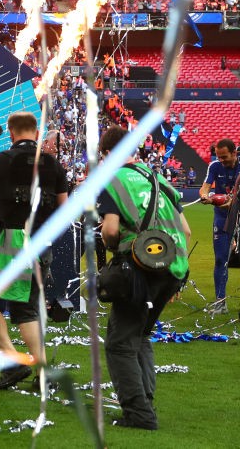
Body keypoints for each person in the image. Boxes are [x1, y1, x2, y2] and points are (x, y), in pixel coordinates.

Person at [98, 126, 190, 430]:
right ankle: (144, 400)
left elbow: (110, 231)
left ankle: (139, 413)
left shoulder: (112, 180)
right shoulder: (162, 181)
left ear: (108, 154)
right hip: (173, 267)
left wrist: (113, 244)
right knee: (141, 337)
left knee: (120, 343)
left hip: (140, 268)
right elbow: (186, 231)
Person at [0, 112, 69, 390]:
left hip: (11, 241)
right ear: (36, 134)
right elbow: (64, 209)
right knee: (26, 307)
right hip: (41, 243)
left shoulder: (0, 160)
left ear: (11, 132)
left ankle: (15, 360)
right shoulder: (53, 164)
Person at [199, 138, 238, 314]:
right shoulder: (214, 166)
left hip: (238, 214)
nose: (221, 160)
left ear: (234, 153)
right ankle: (220, 302)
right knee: (221, 259)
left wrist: (228, 201)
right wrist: (206, 196)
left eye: (224, 157)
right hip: (222, 219)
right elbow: (204, 188)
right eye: (218, 157)